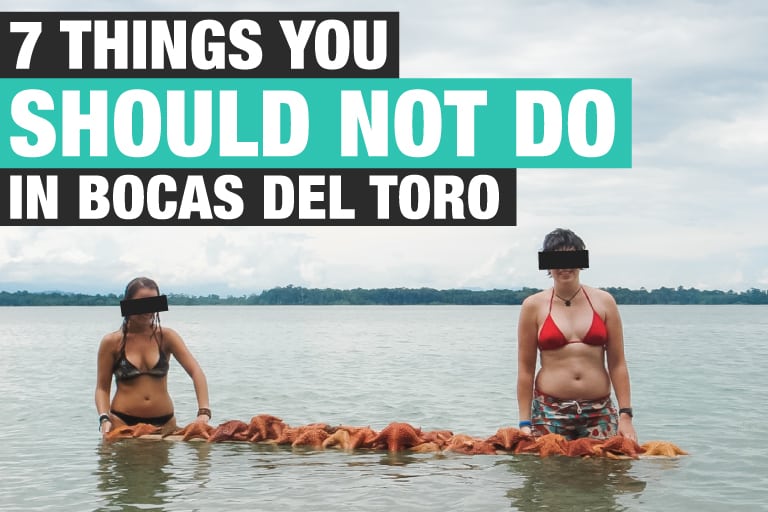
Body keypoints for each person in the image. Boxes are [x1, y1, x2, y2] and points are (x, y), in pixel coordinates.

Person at [516, 228, 637, 441]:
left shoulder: (604, 301)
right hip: (549, 412)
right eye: (557, 259)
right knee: (549, 473)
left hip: (598, 411)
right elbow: (526, 369)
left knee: (603, 472)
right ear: (547, 264)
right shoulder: (533, 306)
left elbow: (617, 362)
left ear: (581, 260)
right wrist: (524, 423)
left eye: (571, 257)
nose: (565, 266)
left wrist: (625, 415)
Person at [95, 277, 211, 436]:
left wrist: (203, 412)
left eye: (153, 302)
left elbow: (196, 372)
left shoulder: (167, 337)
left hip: (165, 424)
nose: (148, 309)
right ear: (128, 302)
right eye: (142, 302)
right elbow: (102, 387)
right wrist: (104, 418)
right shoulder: (111, 342)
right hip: (123, 424)